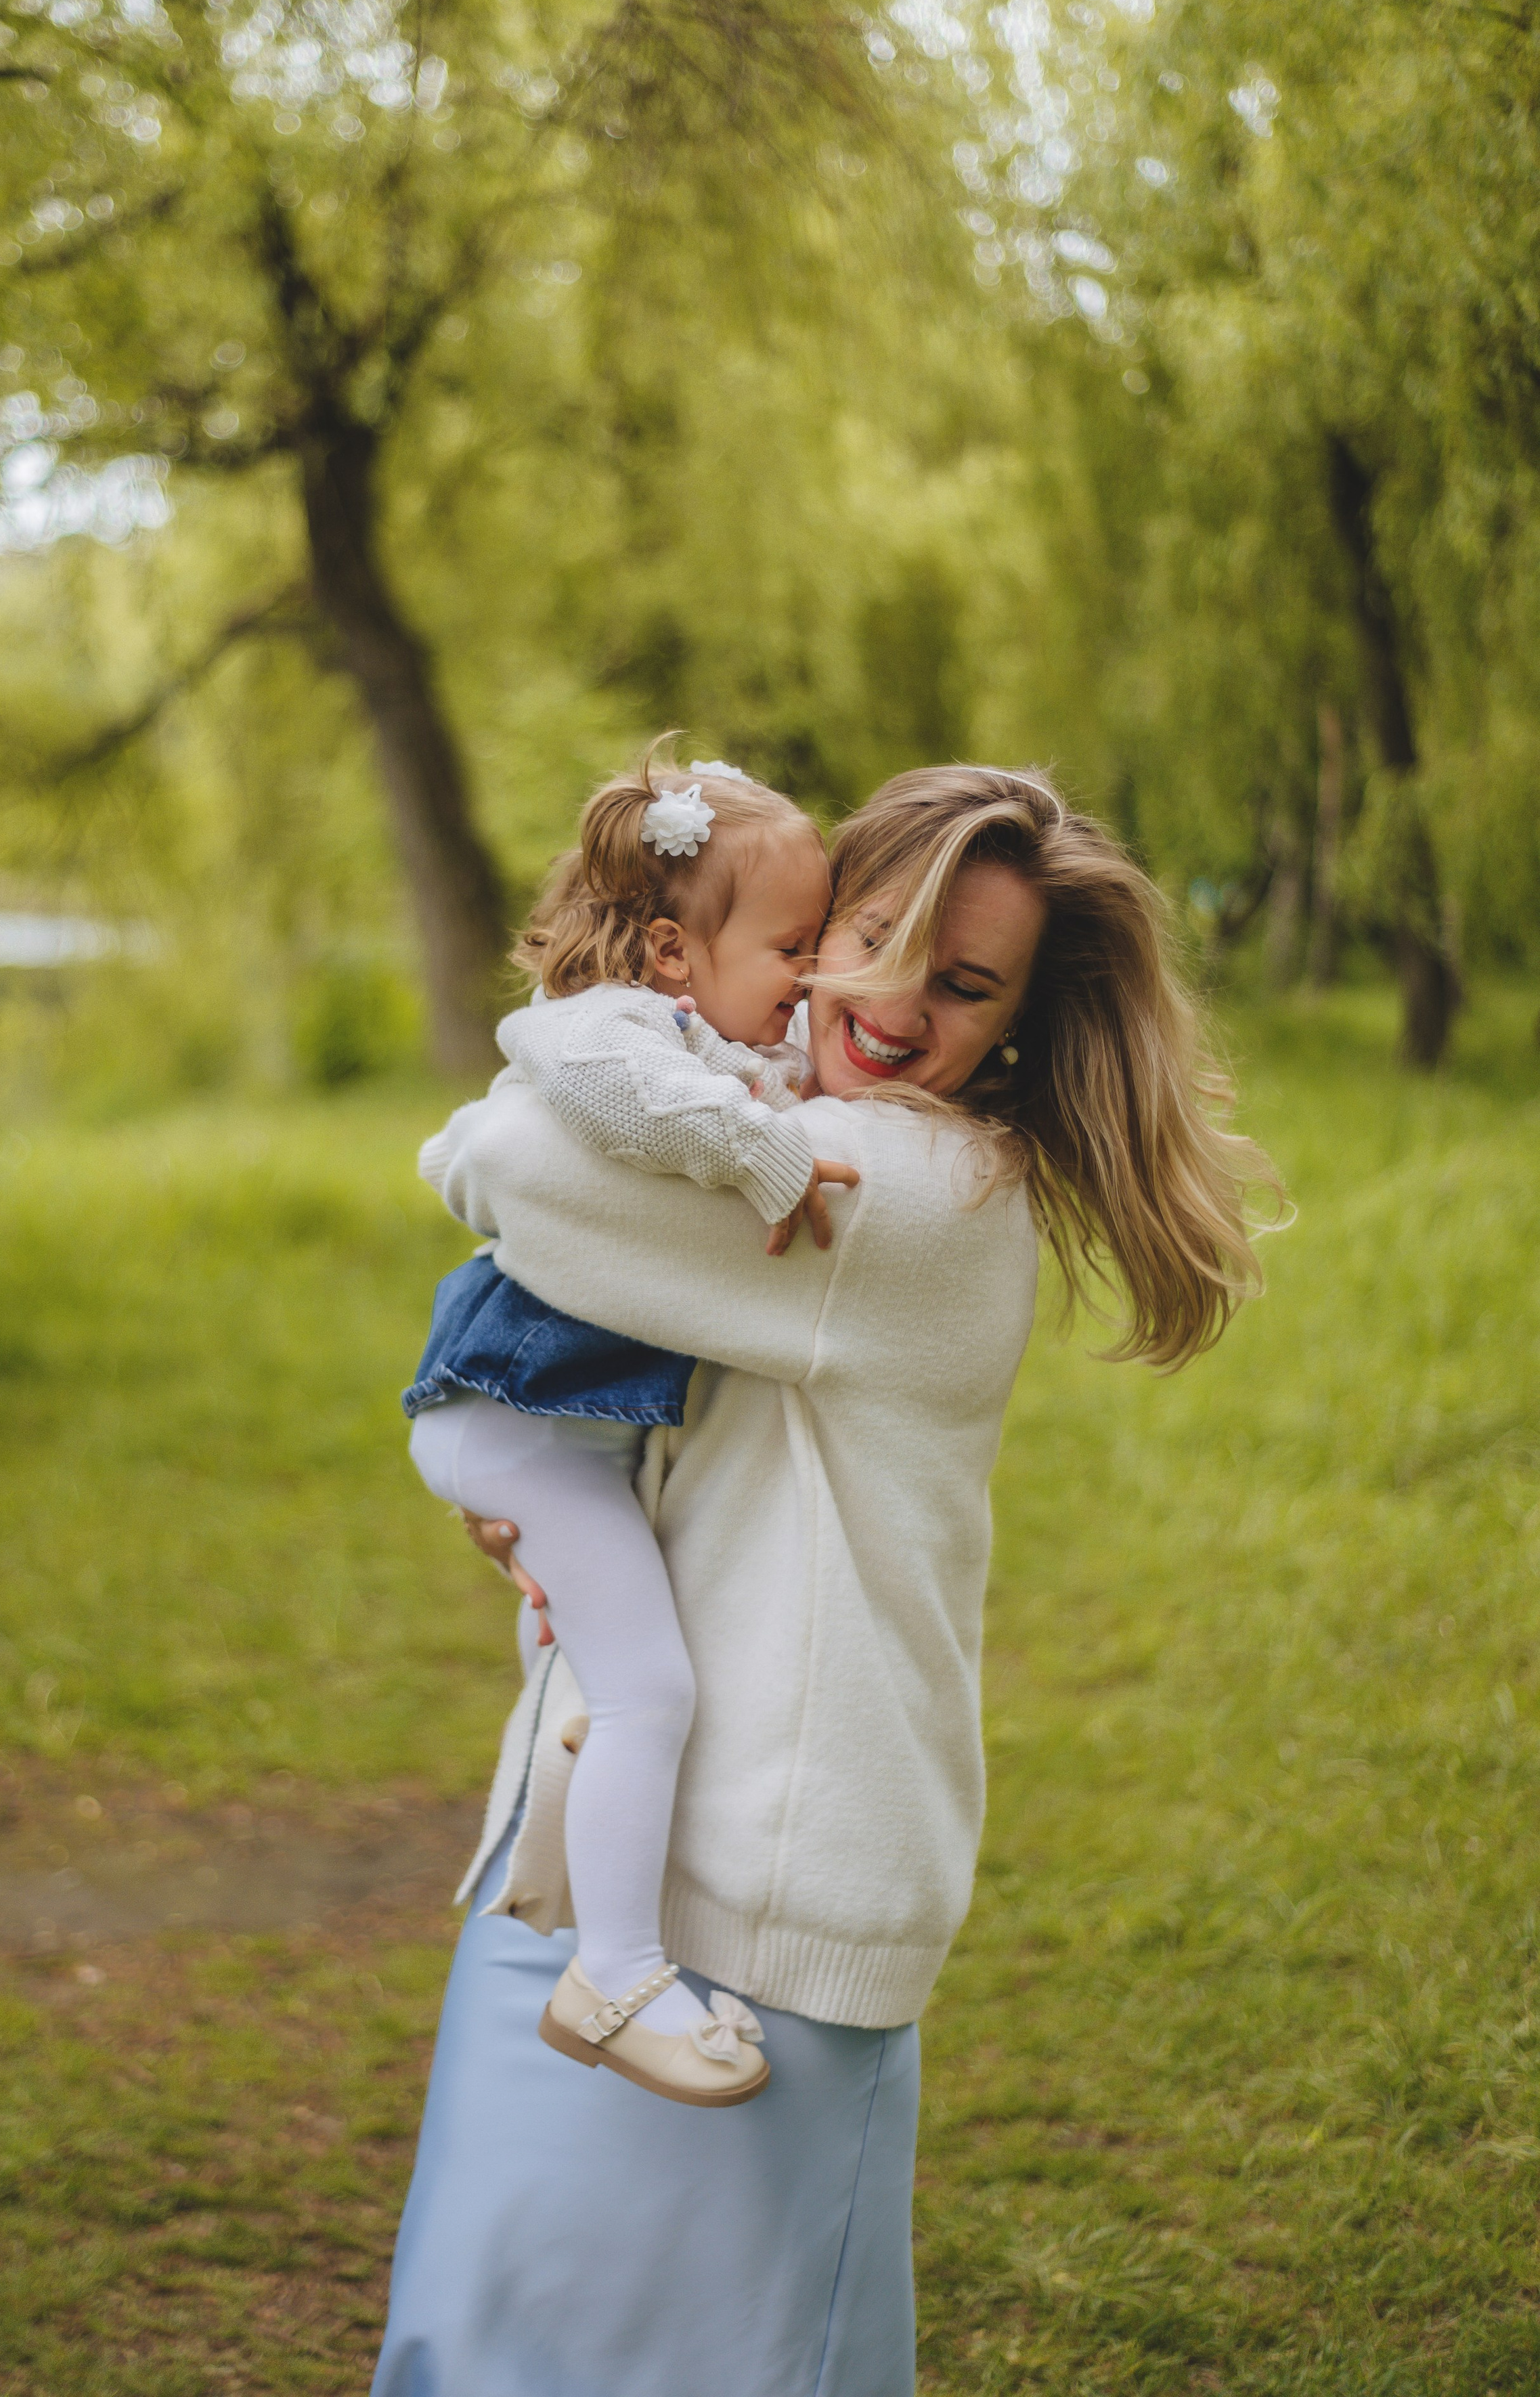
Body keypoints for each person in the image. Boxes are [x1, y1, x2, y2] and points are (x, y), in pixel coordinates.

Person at [374, 764, 1278, 2397]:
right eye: (870, 939)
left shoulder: (906, 1191)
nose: (892, 1003)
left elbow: (506, 1161)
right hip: (599, 1865)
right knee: (482, 2349)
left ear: (1015, 1026)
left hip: (762, 1899)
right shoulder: (764, 1118)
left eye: (964, 984)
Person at [403, 747, 854, 2108]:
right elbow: (605, 1085)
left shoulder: (717, 1037)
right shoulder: (609, 1027)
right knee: (652, 1693)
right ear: (669, 951)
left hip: (550, 1428)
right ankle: (612, 1976)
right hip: (518, 1418)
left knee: (607, 1669)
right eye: (792, 946)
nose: (809, 978)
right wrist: (761, 1147)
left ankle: (588, 1788)